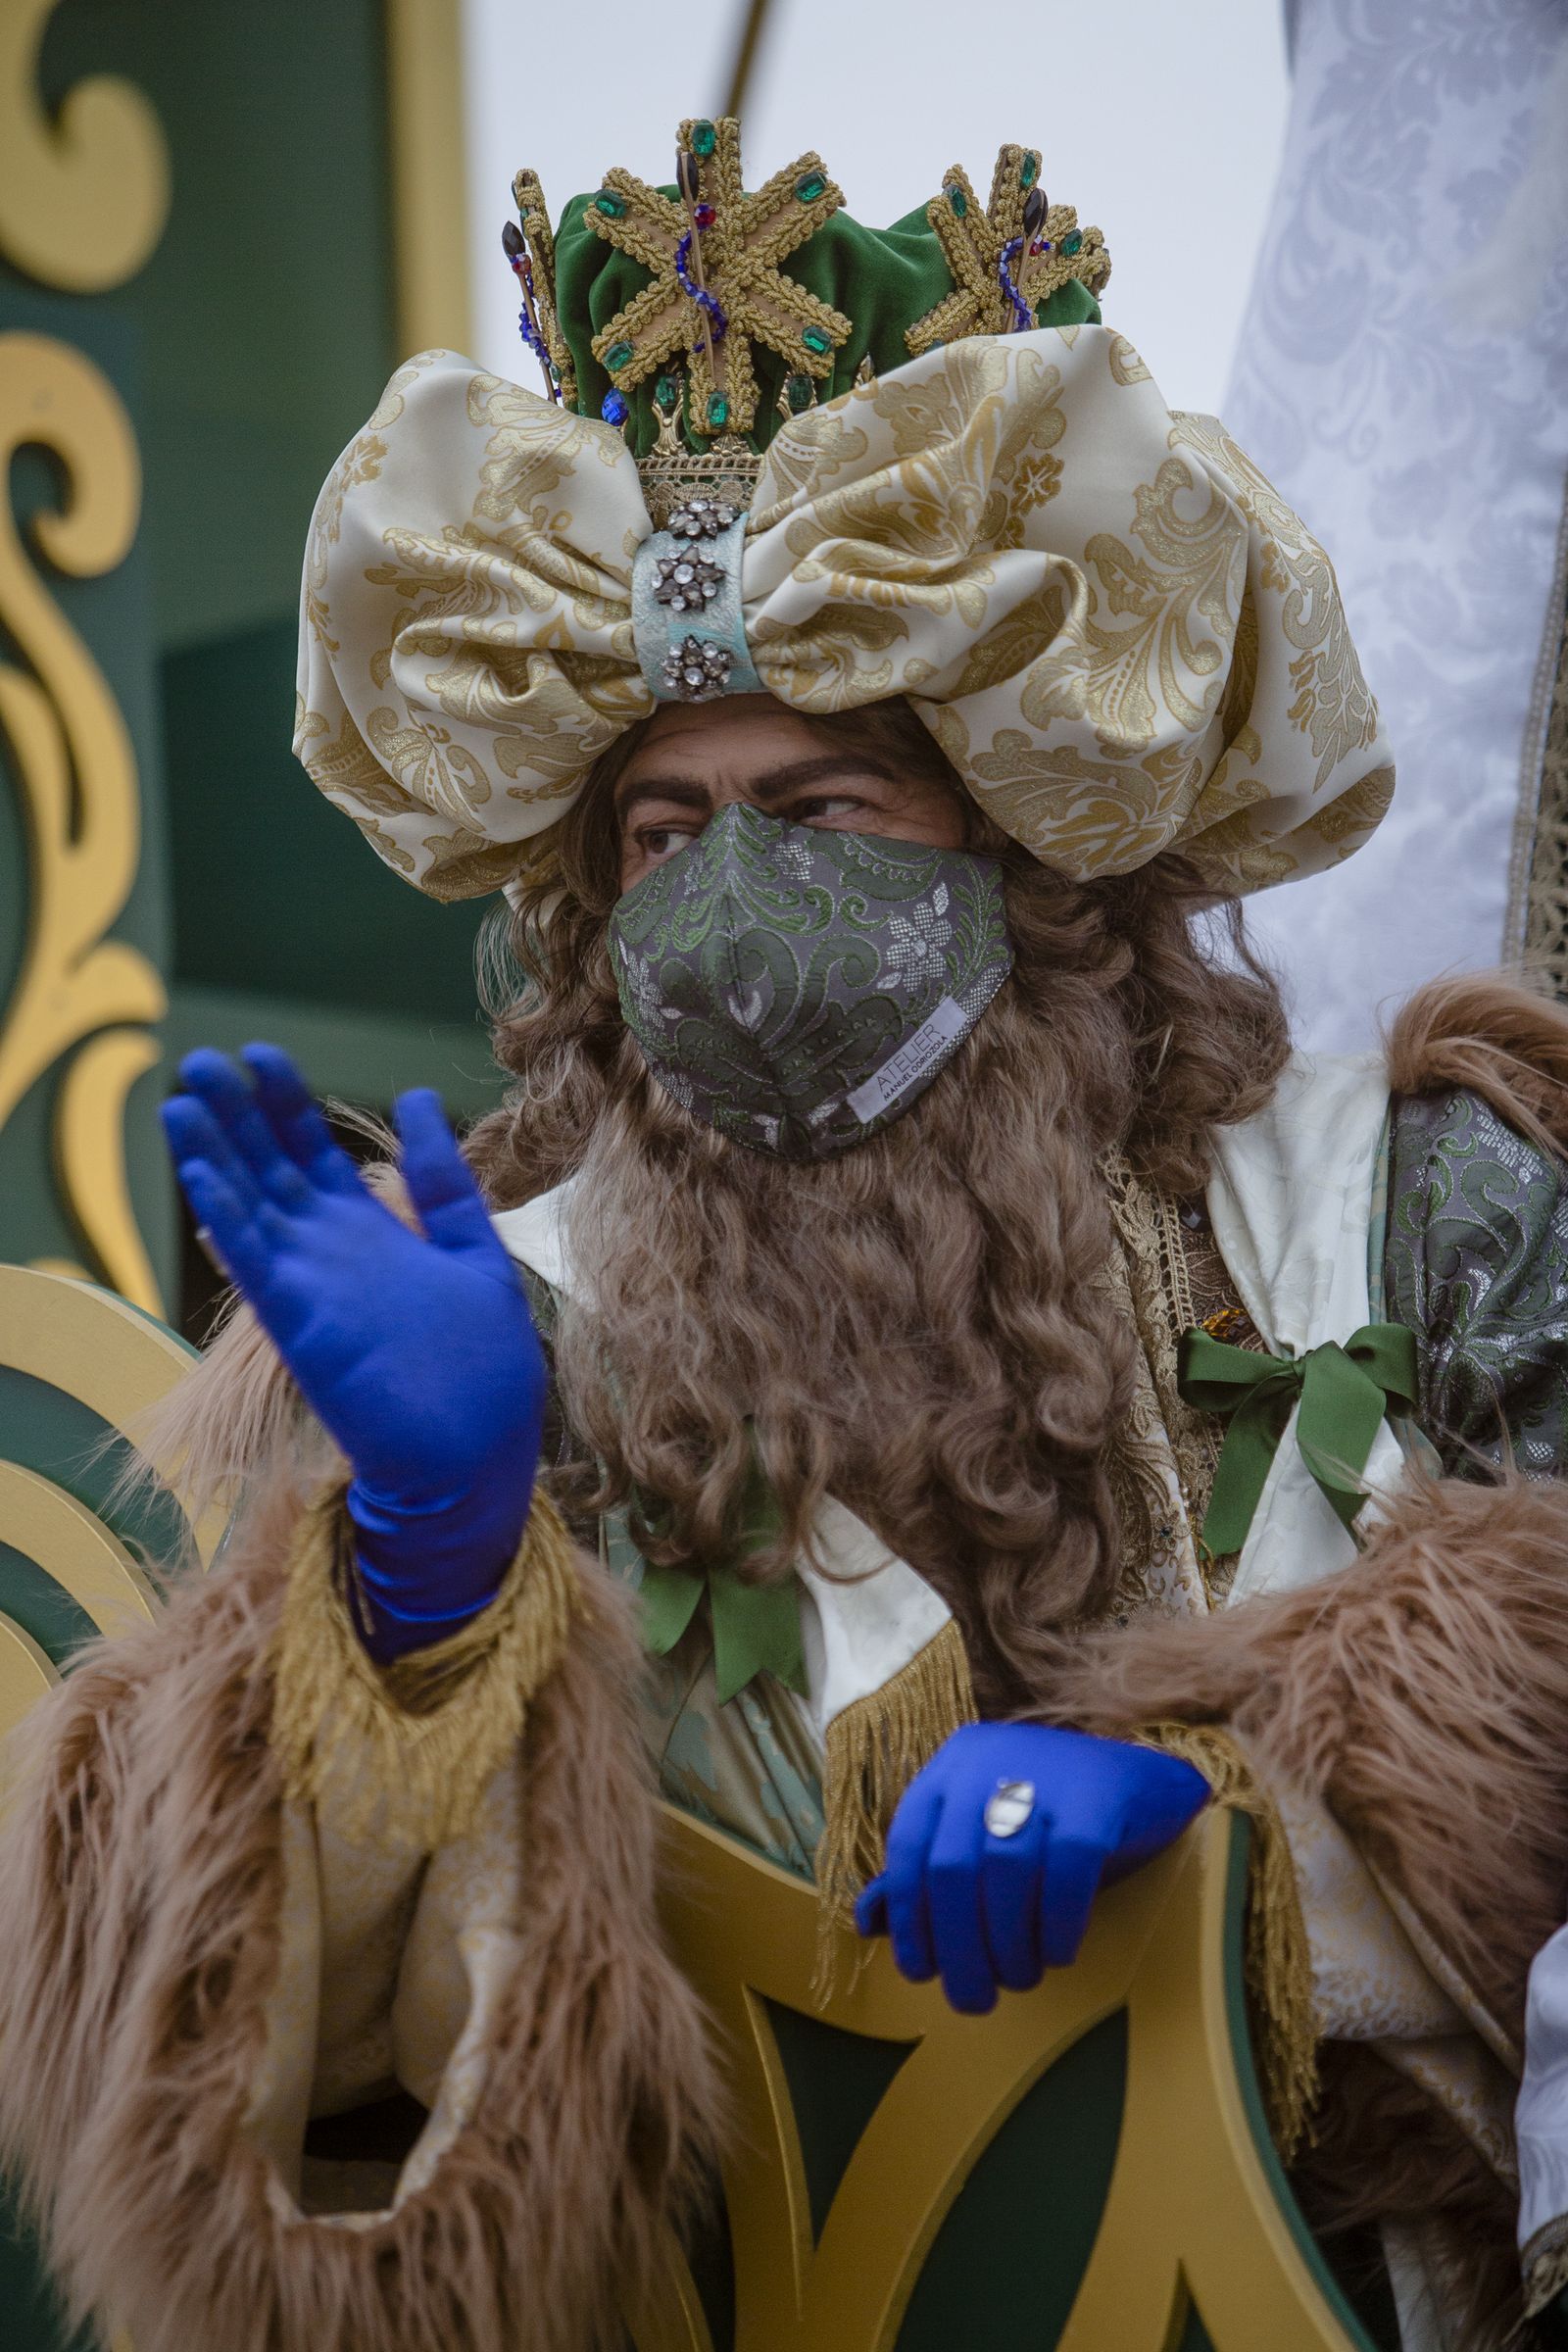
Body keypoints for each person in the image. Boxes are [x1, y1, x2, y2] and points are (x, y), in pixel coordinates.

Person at [5, 116, 1568, 2352]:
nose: (730, 904)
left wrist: (1231, 1820)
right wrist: (426, 1575)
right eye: (662, 832)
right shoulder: (507, 1319)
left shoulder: (1416, 1204)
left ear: (1026, 847)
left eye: (819, 811)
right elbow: (300, 2167)